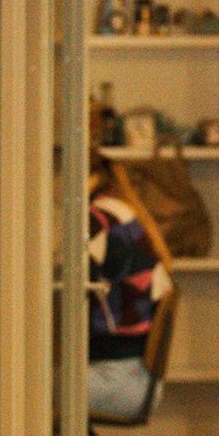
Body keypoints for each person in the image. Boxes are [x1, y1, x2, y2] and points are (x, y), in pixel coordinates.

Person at [87, 160, 171, 421]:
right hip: (137, 379)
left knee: (22, 390)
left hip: (116, 379)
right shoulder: (121, 210)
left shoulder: (98, 218)